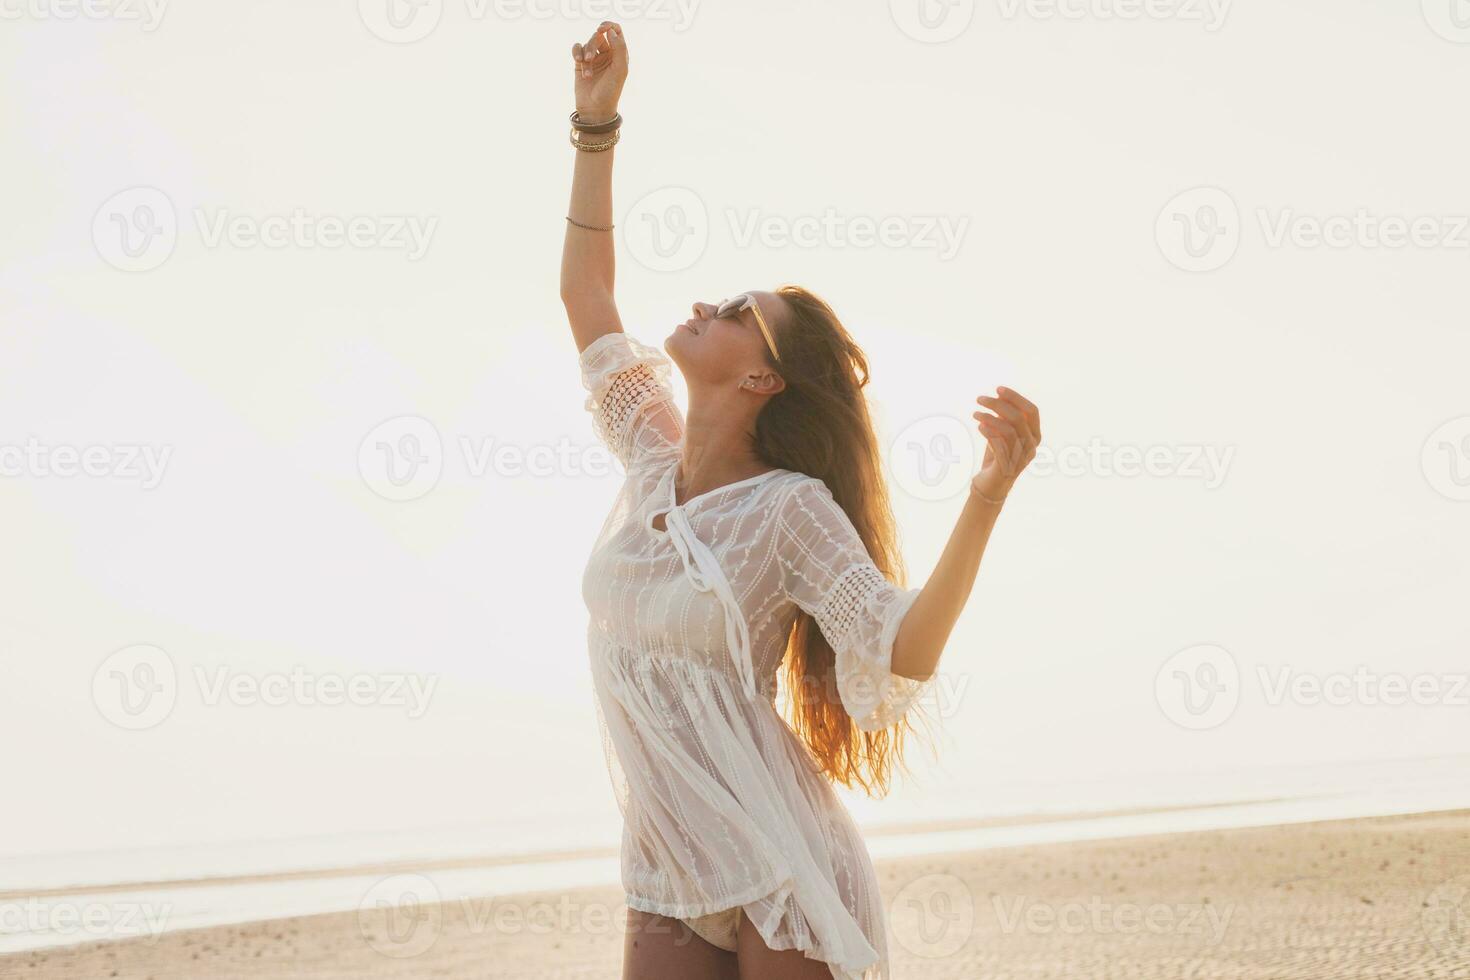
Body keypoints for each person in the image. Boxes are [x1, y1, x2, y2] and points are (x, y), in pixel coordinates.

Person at [560, 22, 1041, 980]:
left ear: (764, 383)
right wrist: (597, 122)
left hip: (783, 862)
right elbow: (587, 292)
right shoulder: (649, 455)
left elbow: (898, 645)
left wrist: (984, 501)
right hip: (668, 862)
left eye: (743, 317)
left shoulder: (788, 510)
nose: (710, 305)